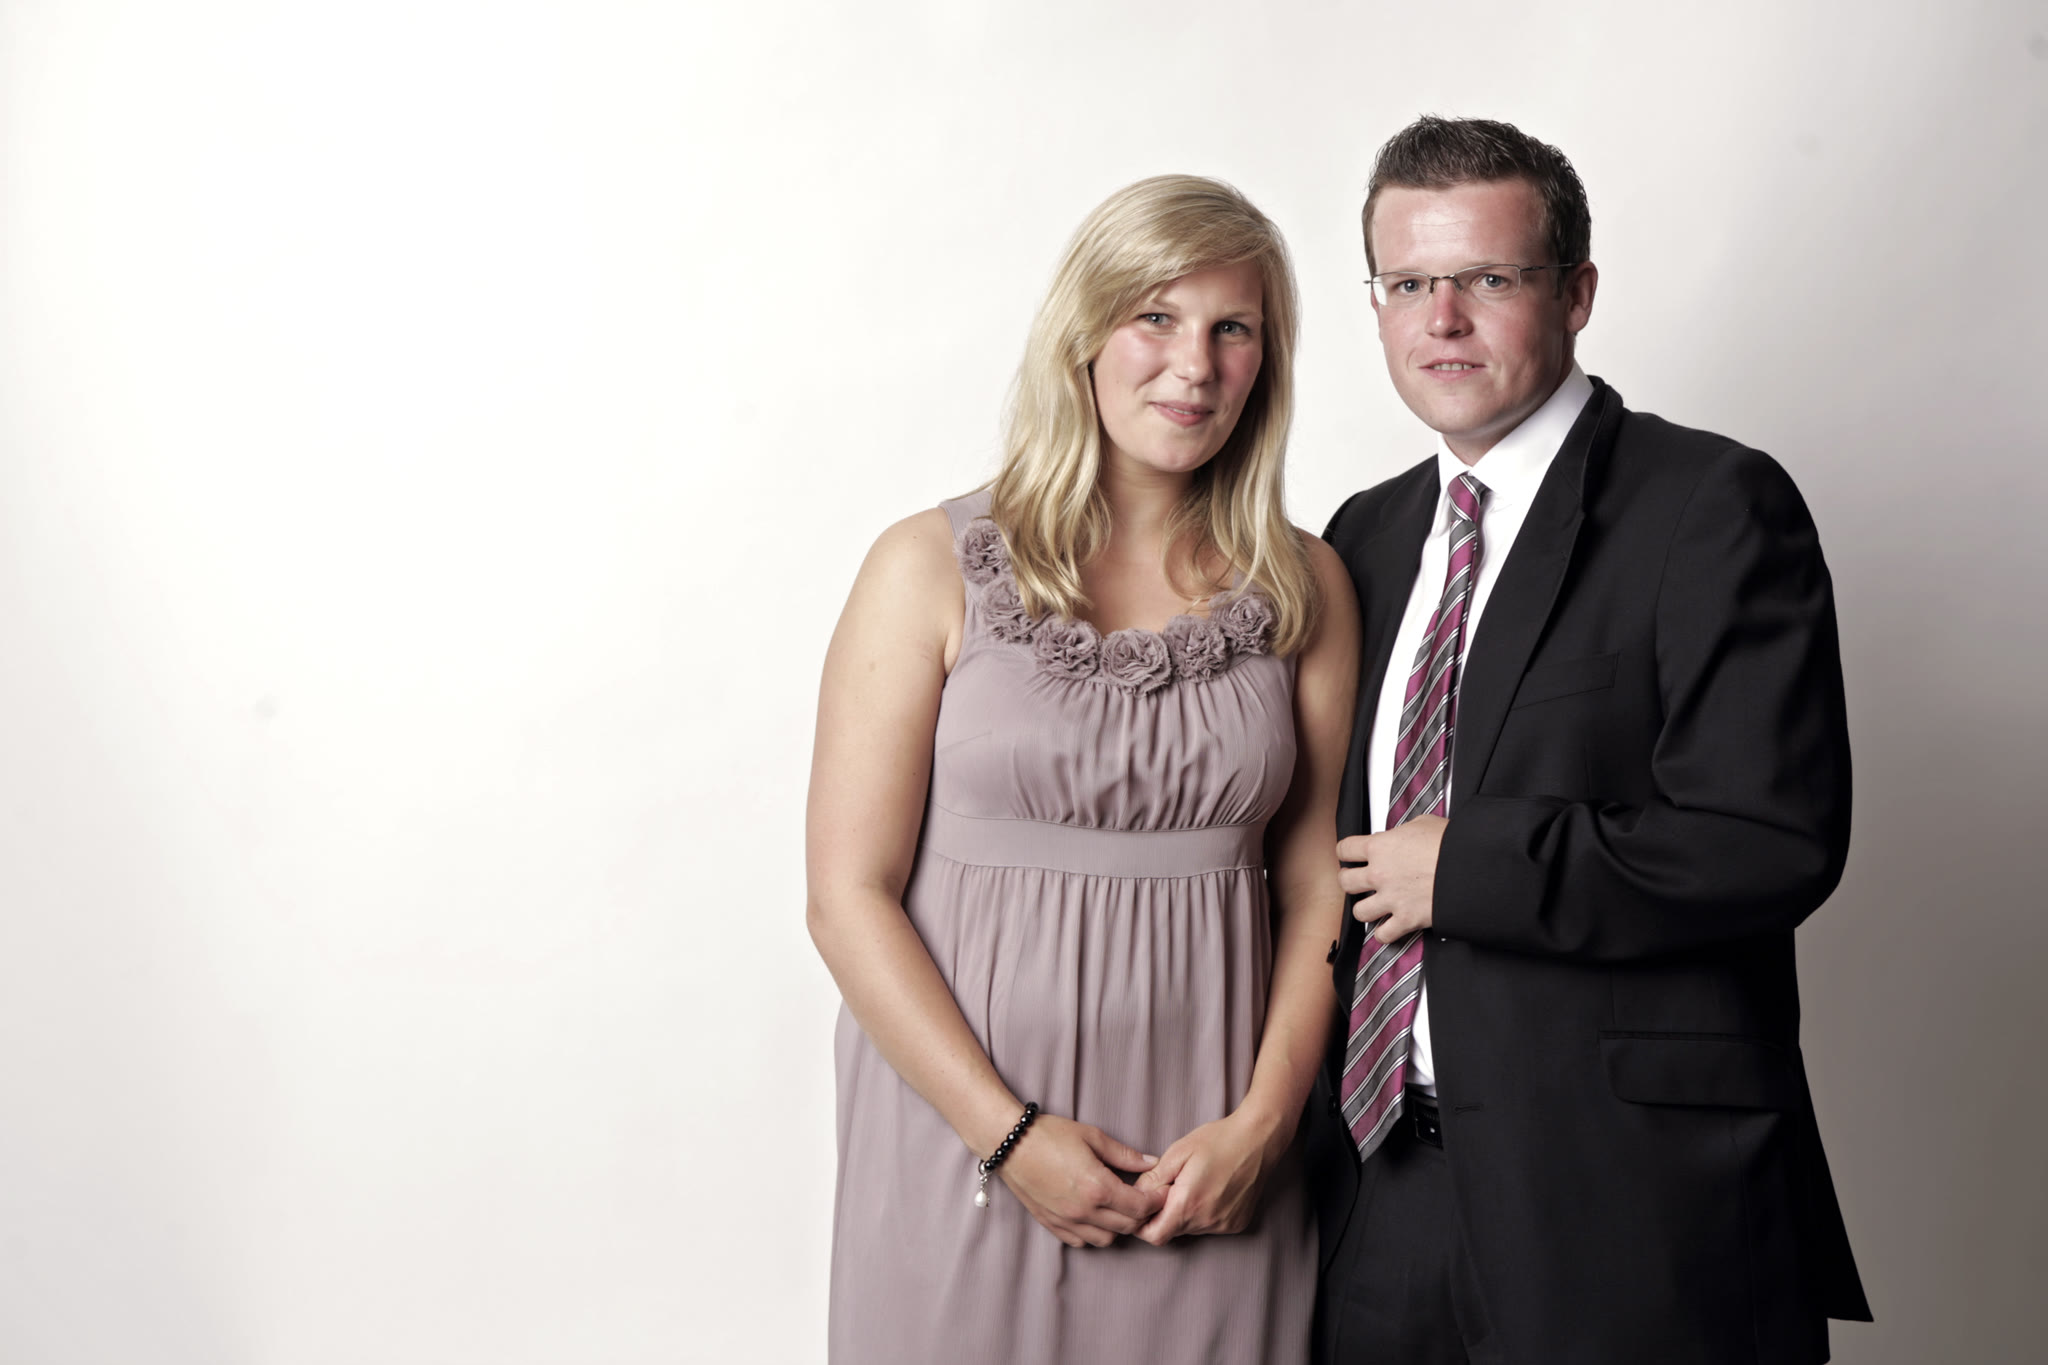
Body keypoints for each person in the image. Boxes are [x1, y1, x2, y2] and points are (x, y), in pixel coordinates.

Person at [1307, 116, 1872, 1364]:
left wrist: (1468, 869)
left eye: (1486, 277)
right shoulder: (1361, 536)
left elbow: (1765, 840)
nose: (1441, 319)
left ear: (1574, 294)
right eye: (1406, 284)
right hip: (1378, 1191)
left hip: (1628, 1206)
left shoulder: (1709, 504)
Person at [807, 174, 1359, 1363]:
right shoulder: (924, 566)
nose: (1194, 366)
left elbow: (1319, 887)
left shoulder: (1306, 585)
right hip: (962, 1142)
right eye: (1155, 317)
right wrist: (1007, 1138)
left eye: (1232, 329)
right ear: (1083, 333)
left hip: (1209, 1162)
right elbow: (846, 897)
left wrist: (1265, 1126)